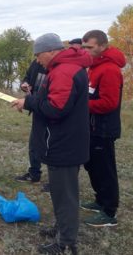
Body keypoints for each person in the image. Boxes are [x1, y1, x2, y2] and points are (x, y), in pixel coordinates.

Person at [11, 33, 91, 254]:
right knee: (60, 191)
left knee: (65, 195)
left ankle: (65, 242)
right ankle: (61, 228)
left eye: (38, 55)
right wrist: (33, 101)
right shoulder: (66, 67)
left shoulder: (64, 71)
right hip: (65, 140)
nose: (37, 60)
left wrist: (29, 102)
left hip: (63, 143)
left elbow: (56, 108)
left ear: (50, 51)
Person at [81, 30, 125, 227]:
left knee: (105, 169)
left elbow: (108, 103)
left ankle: (109, 212)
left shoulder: (109, 69)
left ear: (102, 46)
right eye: (84, 47)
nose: (86, 51)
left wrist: (81, 104)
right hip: (92, 127)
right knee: (92, 165)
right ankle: (100, 201)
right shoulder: (95, 66)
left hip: (103, 128)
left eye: (89, 47)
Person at [15, 59, 47, 187]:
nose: (38, 58)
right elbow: (27, 78)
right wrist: (24, 84)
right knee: (34, 143)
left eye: (40, 54)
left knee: (52, 146)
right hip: (37, 109)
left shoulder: (58, 67)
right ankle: (34, 174)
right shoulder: (36, 63)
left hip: (51, 111)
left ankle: (57, 181)